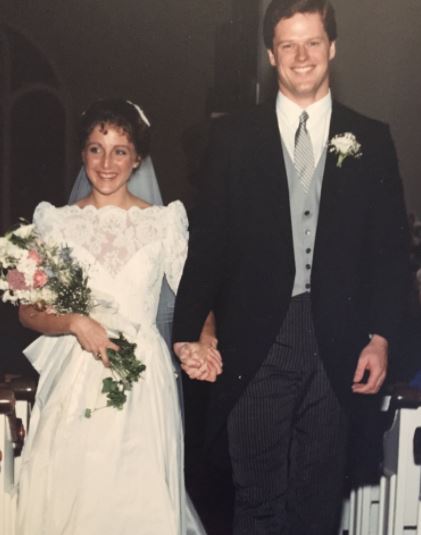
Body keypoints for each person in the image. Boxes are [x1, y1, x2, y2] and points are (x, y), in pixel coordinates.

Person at [172, 1, 410, 533]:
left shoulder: (369, 138)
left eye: (312, 42)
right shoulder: (232, 137)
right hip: (257, 338)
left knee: (318, 501)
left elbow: (390, 253)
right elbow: (207, 242)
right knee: (256, 497)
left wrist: (381, 337)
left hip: (340, 343)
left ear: (332, 48)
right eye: (288, 45)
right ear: (270, 55)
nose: (302, 56)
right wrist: (189, 331)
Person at [16, 98, 221, 535]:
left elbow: (194, 298)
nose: (106, 163)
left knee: (138, 501)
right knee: (76, 500)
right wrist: (74, 322)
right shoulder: (56, 223)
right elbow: (29, 311)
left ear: (138, 158)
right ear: (83, 154)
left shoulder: (164, 222)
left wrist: (204, 340)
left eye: (120, 151)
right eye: (96, 149)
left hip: (144, 381)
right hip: (77, 378)